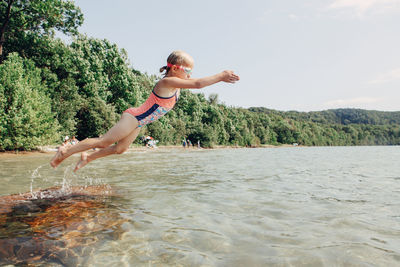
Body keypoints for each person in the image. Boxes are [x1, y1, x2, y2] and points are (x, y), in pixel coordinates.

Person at [50, 50, 240, 171]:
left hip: (140, 123)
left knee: (120, 149)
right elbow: (198, 84)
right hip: (133, 117)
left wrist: (205, 78)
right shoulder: (166, 82)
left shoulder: (178, 84)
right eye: (187, 71)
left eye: (190, 72)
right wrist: (221, 75)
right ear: (174, 68)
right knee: (104, 141)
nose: (189, 75)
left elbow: (195, 81)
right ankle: (65, 150)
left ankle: (88, 157)